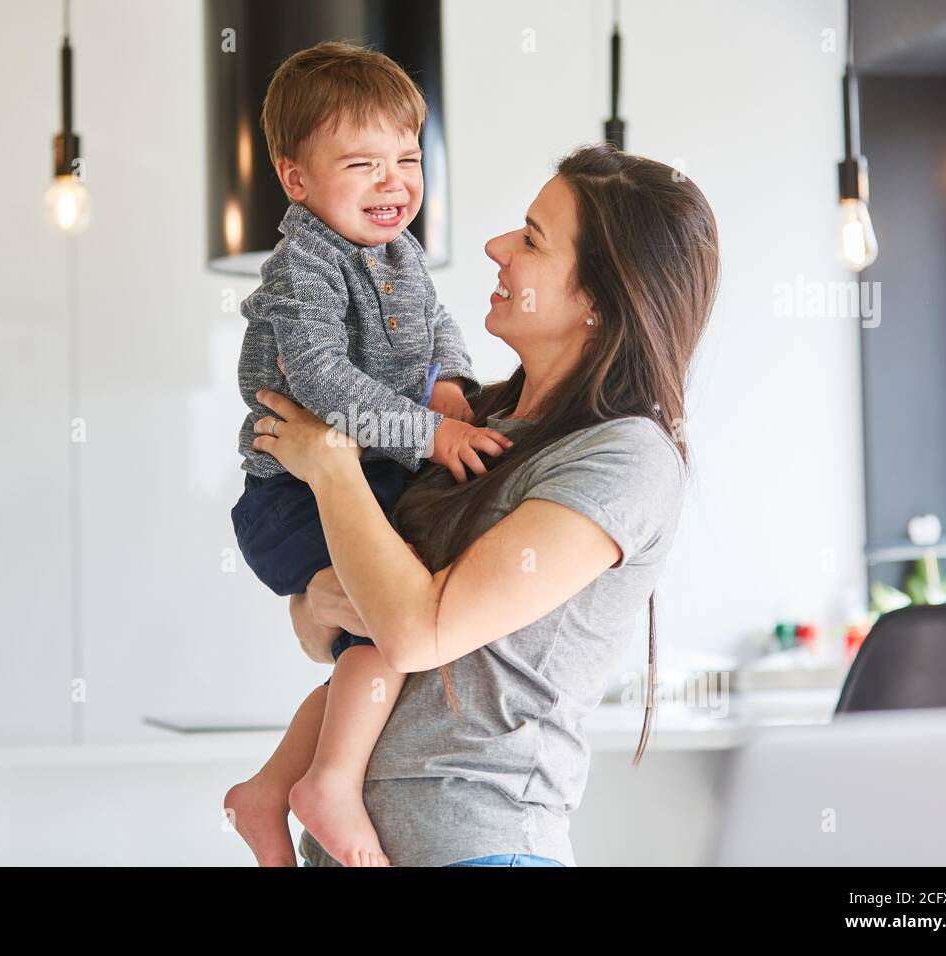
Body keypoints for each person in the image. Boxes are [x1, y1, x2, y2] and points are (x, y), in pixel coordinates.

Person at [237, 143, 720, 867]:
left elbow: (416, 633)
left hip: (479, 850)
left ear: (598, 300)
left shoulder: (624, 457)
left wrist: (331, 465)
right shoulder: (469, 426)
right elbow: (326, 631)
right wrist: (316, 602)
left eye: (531, 239)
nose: (497, 247)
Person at [225, 42, 511, 868]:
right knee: (391, 627)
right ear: (296, 180)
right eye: (363, 164)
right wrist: (434, 433)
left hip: (358, 481)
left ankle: (270, 789)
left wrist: (450, 382)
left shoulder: (399, 254)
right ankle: (329, 786)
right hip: (293, 498)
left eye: (408, 160)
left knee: (375, 644)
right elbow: (317, 378)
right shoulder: (301, 268)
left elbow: (437, 327)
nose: (394, 183)